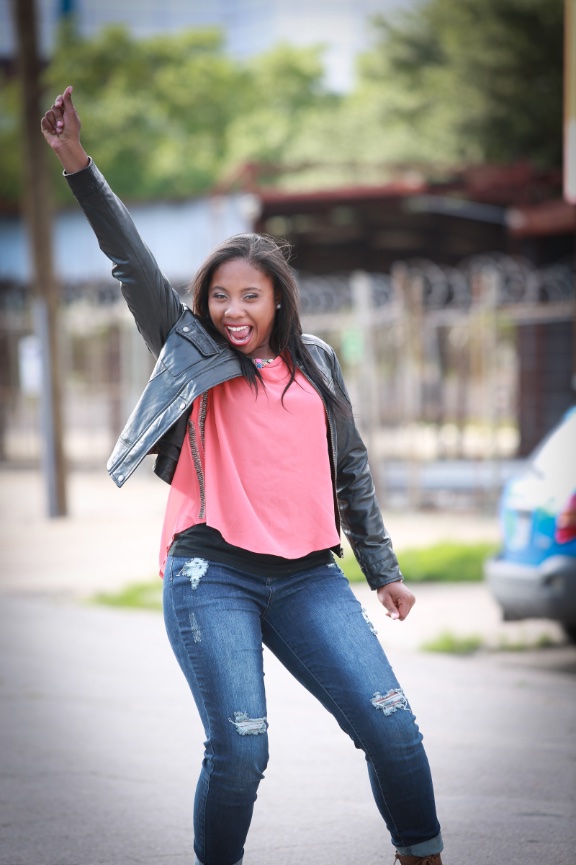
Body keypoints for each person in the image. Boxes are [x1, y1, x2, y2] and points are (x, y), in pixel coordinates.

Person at [41, 86, 444, 865]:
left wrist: (382, 569)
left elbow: (351, 467)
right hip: (211, 573)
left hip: (308, 575)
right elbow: (130, 261)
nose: (233, 309)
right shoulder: (189, 349)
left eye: (249, 296)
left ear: (277, 301)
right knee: (241, 749)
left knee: (392, 726)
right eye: (220, 295)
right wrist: (78, 164)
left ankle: (422, 854)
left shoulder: (316, 362)